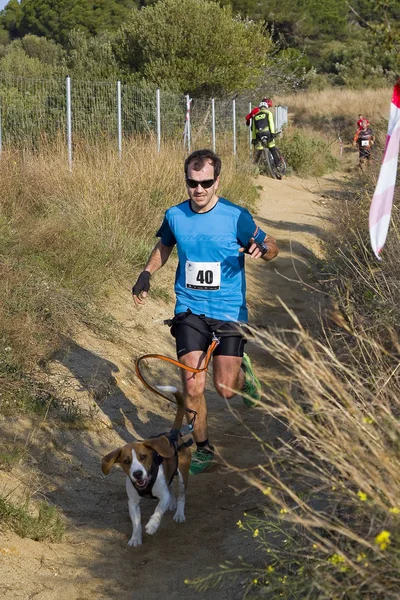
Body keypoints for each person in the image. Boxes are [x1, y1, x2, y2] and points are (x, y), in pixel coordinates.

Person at [132, 149, 279, 475]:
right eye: (192, 183)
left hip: (229, 311)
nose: (198, 189)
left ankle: (245, 376)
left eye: (205, 183)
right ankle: (202, 448)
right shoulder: (175, 216)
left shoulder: (236, 217)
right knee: (194, 387)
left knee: (225, 388)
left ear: (217, 183)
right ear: (186, 181)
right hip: (189, 311)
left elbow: (272, 246)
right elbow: (165, 245)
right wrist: (147, 273)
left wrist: (263, 250)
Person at [245, 99, 281, 168]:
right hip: (267, 133)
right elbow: (271, 124)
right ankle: (277, 164)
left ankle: (254, 166)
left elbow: (253, 129)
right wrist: (273, 133)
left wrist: (254, 138)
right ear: (267, 107)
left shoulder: (255, 116)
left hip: (258, 135)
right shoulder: (268, 113)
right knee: (272, 147)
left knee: (259, 149)